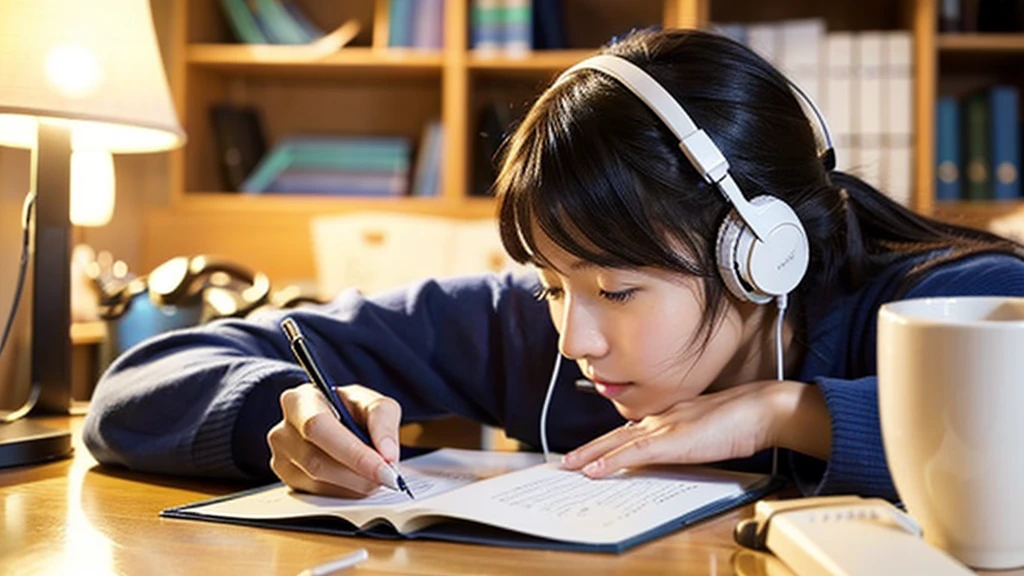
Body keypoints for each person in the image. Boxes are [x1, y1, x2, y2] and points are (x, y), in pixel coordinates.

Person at [84, 28, 1024, 501]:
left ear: (760, 258)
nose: (574, 336)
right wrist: (276, 417)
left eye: (618, 288)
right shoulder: (525, 327)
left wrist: (790, 410)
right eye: (551, 282)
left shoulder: (945, 303)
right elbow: (140, 385)